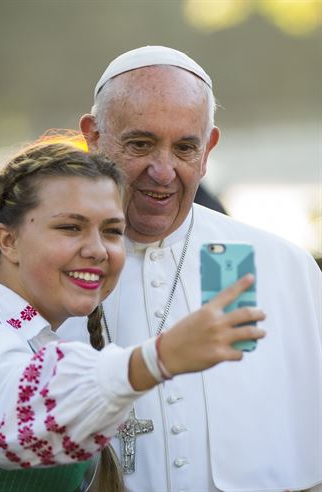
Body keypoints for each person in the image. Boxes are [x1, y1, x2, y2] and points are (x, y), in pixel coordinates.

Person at [0, 138, 266, 492]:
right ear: (8, 241)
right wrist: (157, 358)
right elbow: (14, 418)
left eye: (112, 231)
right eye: (70, 227)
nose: (97, 249)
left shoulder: (25, 333)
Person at [59, 46, 322, 491]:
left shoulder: (282, 267)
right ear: (94, 136)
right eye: (140, 144)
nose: (162, 171)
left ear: (208, 149)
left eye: (185, 147)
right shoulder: (36, 269)